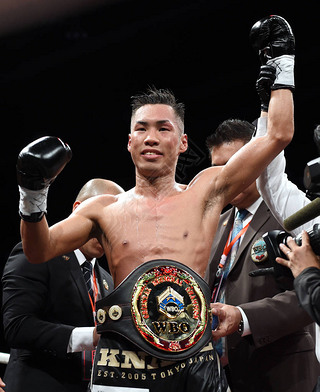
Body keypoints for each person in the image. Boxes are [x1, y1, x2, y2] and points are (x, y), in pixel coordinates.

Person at [15, 16, 295, 391]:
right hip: (123, 357)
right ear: (129, 142)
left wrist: (282, 66)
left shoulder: (206, 192)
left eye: (163, 128)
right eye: (142, 128)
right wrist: (32, 195)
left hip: (194, 355)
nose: (151, 137)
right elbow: (39, 249)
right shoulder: (105, 209)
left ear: (181, 143)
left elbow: (278, 134)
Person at [205, 119, 320, 391]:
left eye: (232, 164)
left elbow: (310, 294)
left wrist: (244, 318)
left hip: (281, 371)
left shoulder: (290, 214)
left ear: (257, 159)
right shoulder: (213, 223)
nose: (225, 175)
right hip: (220, 374)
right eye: (217, 168)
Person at [2, 178, 124, 392]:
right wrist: (91, 336)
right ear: (80, 209)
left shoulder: (109, 279)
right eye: (104, 219)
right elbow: (17, 326)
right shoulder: (36, 254)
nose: (109, 229)